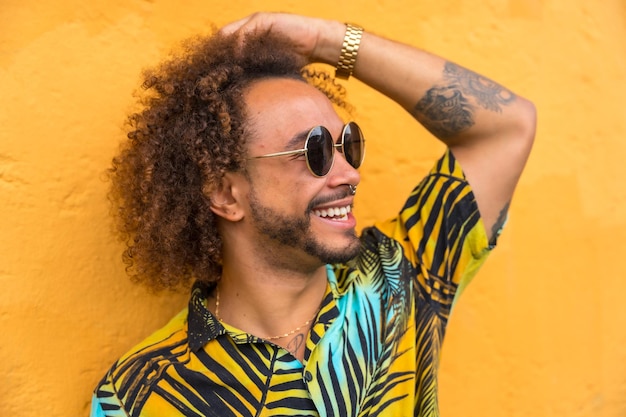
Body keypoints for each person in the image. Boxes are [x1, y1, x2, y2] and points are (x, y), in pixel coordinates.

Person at [90, 12, 535, 417]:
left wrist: (327, 41)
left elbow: (506, 126)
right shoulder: (138, 397)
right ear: (226, 194)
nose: (349, 174)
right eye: (315, 150)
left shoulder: (399, 277)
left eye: (349, 145)